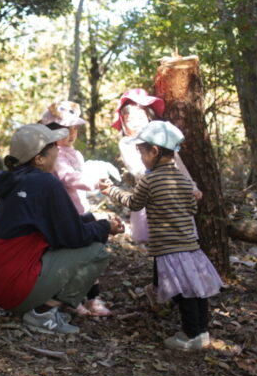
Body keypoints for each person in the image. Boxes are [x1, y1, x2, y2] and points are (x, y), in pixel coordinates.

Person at [0, 124, 124, 335]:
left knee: (88, 239)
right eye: (54, 146)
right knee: (96, 252)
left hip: (0, 285)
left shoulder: (17, 181)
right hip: (15, 288)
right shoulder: (46, 182)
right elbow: (73, 237)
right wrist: (105, 227)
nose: (59, 150)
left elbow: (58, 227)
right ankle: (43, 313)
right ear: (39, 159)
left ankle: (39, 305)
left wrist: (93, 218)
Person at [99, 121, 223, 351]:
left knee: (182, 292)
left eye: (142, 152)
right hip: (190, 246)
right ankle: (202, 332)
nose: (141, 157)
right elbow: (192, 208)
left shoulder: (150, 179)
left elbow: (134, 203)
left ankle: (189, 335)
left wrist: (110, 191)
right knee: (196, 289)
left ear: (154, 151)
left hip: (169, 248)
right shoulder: (184, 180)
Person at [39, 100, 120, 316]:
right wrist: (94, 181)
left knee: (92, 253)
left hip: (82, 209)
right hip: (66, 214)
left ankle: (92, 297)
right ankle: (71, 298)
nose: (71, 133)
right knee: (77, 256)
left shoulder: (75, 153)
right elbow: (68, 178)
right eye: (65, 129)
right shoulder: (53, 154)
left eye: (74, 128)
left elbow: (79, 176)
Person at [111, 89, 201, 245]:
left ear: (148, 116)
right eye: (129, 119)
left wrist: (191, 185)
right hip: (150, 192)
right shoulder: (127, 143)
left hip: (174, 193)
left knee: (179, 231)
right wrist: (156, 179)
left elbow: (178, 164)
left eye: (140, 117)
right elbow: (136, 169)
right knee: (158, 237)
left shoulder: (161, 139)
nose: (135, 122)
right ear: (123, 122)